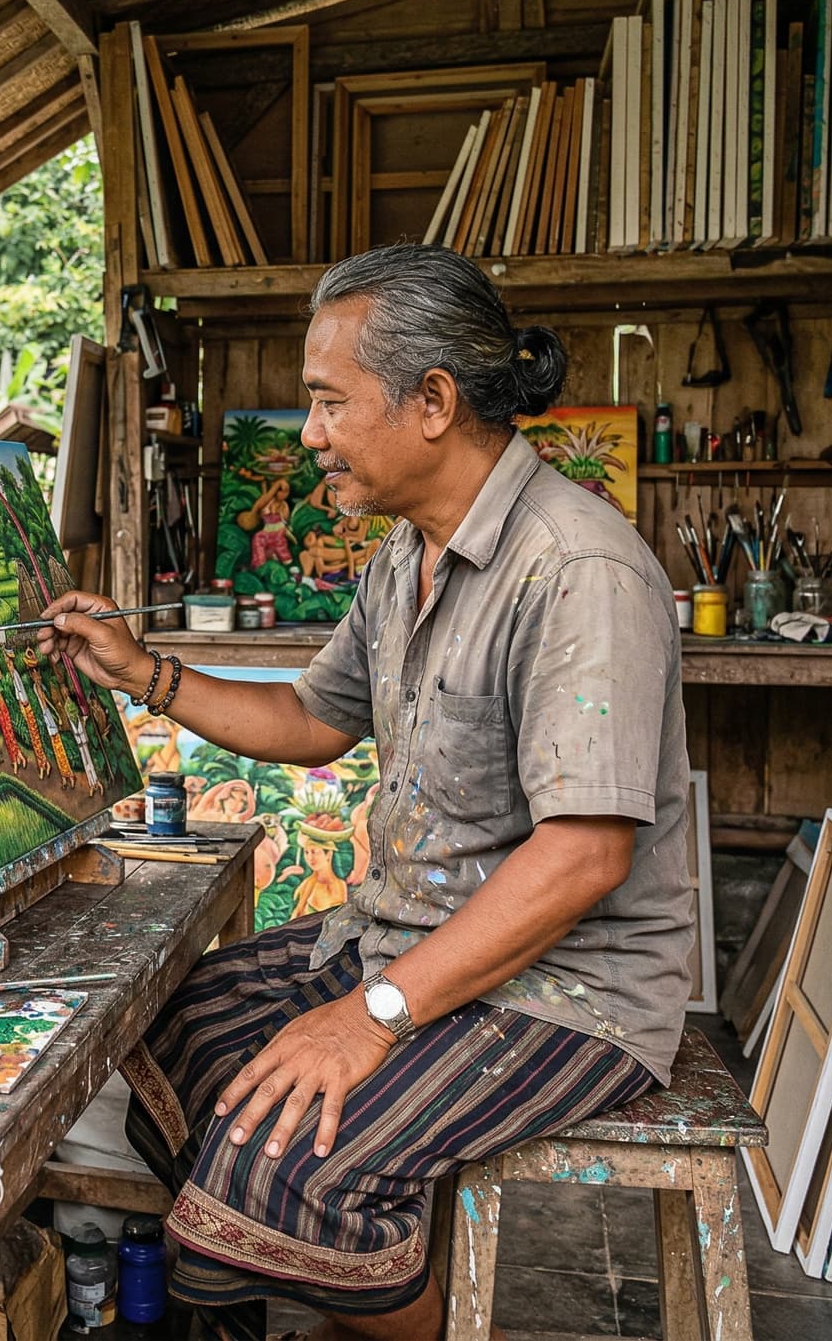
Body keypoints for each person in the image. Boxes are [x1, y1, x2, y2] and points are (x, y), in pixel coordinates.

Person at [41, 243, 692, 1341]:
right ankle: (308, 1287)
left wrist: (371, 1017)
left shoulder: (577, 570)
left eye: (327, 402)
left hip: (567, 987)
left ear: (431, 401)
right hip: (406, 934)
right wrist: (141, 669)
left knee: (282, 1160)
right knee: (162, 1032)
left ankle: (365, 1290)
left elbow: (584, 854)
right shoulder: (408, 554)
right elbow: (309, 720)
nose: (308, 434)